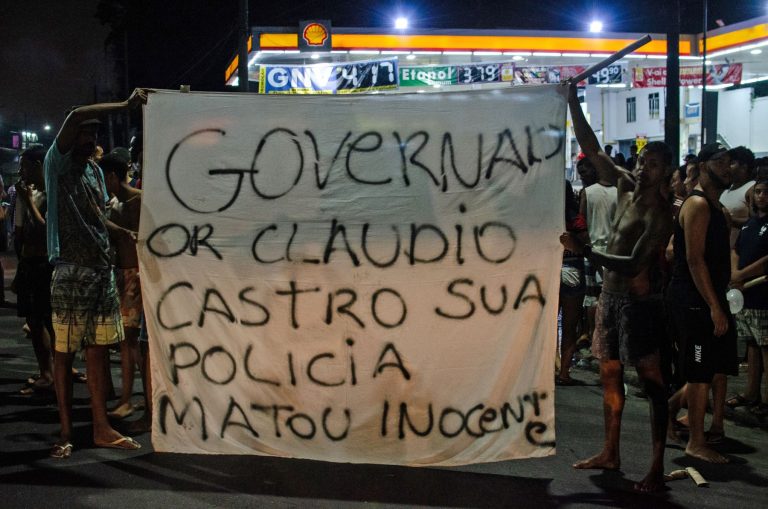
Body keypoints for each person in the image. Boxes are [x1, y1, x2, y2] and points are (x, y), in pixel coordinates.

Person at [559, 81, 672, 492]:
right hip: (610, 298)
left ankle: (657, 464)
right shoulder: (624, 185)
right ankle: (611, 451)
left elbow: (634, 262)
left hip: (640, 305)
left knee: (652, 381)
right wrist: (573, 102)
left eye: (654, 165)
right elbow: (593, 147)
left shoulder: (660, 216)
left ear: (667, 173)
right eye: (643, 161)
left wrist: (584, 250)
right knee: (609, 375)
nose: (645, 169)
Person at [45, 90, 147, 458]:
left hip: (101, 270)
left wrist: (119, 234)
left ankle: (101, 428)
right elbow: (74, 114)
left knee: (98, 351)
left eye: (94, 134)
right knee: (64, 353)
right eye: (84, 133)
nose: (89, 139)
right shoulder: (58, 164)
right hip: (71, 270)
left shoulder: (93, 172)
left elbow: (97, 218)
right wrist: (124, 106)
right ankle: (66, 432)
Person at [667, 143, 736, 464]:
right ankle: (695, 441)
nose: (728, 167)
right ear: (704, 166)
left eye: (730, 162)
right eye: (721, 162)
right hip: (694, 300)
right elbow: (694, 260)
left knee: (708, 368)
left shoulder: (714, 206)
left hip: (709, 296)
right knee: (698, 372)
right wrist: (713, 305)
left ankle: (669, 409)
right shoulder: (697, 204)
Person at [100, 152, 143, 420]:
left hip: (135, 277)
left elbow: (139, 239)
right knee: (127, 341)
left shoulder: (138, 201)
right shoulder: (115, 204)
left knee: (132, 342)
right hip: (123, 275)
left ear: (113, 177)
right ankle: (127, 398)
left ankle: (133, 400)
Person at [15, 145, 55, 394]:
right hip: (28, 263)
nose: (22, 171)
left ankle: (56, 372)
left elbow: (46, 229)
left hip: (45, 264)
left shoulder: (50, 191)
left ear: (38, 166)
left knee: (51, 320)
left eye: (25, 166)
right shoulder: (27, 193)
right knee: (34, 320)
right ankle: (46, 371)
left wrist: (28, 202)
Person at [727, 178, 768, 417]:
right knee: (751, 346)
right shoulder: (750, 224)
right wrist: (735, 273)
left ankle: (765, 400)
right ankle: (751, 393)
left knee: (765, 347)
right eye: (758, 192)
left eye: (766, 192)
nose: (761, 196)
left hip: (762, 293)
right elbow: (736, 249)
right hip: (745, 294)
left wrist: (741, 274)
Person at [580, 155, 617, 349]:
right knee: (610, 296)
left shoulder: (588, 192)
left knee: (591, 298)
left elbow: (582, 223)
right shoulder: (619, 193)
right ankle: (609, 338)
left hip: (592, 250)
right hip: (613, 252)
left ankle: (593, 337)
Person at [720, 146, 756, 247]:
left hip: (740, 247)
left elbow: (756, 221)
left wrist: (728, 219)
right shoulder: (727, 187)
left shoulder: (752, 188)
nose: (727, 167)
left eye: (731, 163)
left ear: (744, 167)